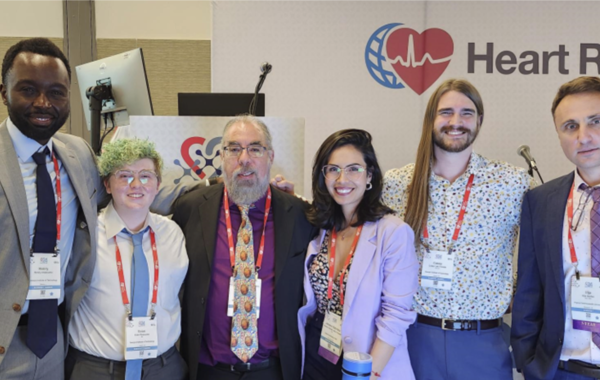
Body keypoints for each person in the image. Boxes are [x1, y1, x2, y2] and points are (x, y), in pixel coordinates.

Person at [382, 78, 534, 380]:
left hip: (483, 343)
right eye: (446, 112)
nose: (456, 122)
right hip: (413, 338)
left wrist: (512, 290)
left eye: (467, 113)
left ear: (479, 120)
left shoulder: (511, 183)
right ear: (431, 120)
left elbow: (540, 256)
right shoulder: (397, 183)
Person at [172, 114, 318, 380]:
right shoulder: (191, 209)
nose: (244, 159)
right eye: (234, 149)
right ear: (221, 156)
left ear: (270, 156)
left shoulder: (300, 215)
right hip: (208, 370)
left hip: (273, 370)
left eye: (255, 148)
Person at [0, 37, 103, 380]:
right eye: (28, 90)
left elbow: (133, 187)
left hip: (54, 341)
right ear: (4, 93)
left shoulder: (77, 153)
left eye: (56, 92)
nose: (43, 103)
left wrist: (215, 187)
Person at [297, 129, 418, 380]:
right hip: (315, 350)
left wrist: (368, 374)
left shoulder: (394, 233)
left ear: (369, 175)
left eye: (354, 168)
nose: (342, 179)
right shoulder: (320, 228)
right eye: (333, 169)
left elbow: (395, 315)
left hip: (367, 358)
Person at [66, 138, 188, 379]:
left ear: (157, 184)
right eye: (124, 175)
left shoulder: (173, 233)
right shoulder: (84, 235)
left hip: (163, 368)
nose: (136, 184)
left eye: (146, 176)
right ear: (107, 185)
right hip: (96, 369)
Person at [511, 76, 600, 380]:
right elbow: (529, 289)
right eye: (570, 126)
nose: (584, 137)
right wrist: (527, 361)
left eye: (595, 121)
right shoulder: (541, 201)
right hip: (562, 370)